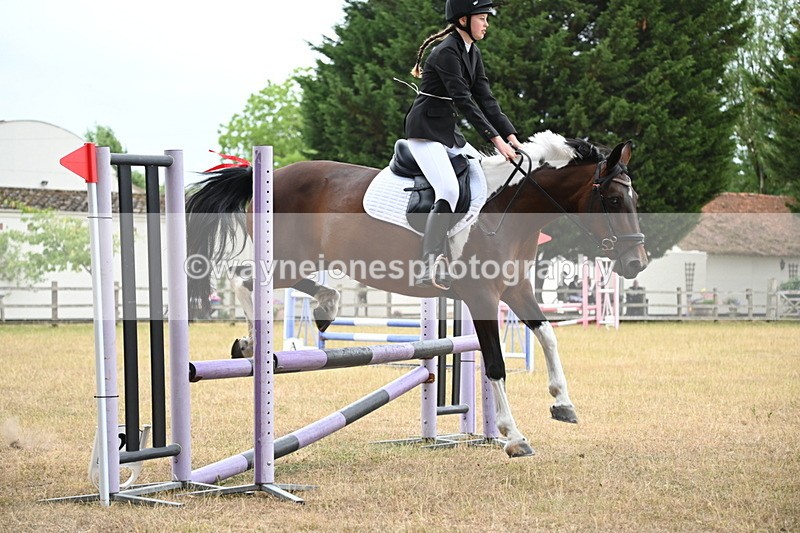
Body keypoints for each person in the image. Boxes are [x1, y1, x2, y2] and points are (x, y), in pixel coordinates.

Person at [404, 0, 521, 288]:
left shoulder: (472, 51)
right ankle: (427, 265)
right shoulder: (445, 52)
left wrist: (512, 137)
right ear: (463, 20)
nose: (487, 24)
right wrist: (495, 140)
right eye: (482, 18)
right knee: (448, 189)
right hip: (425, 132)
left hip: (448, 133)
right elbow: (464, 101)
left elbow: (486, 99)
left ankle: (465, 254)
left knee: (481, 180)